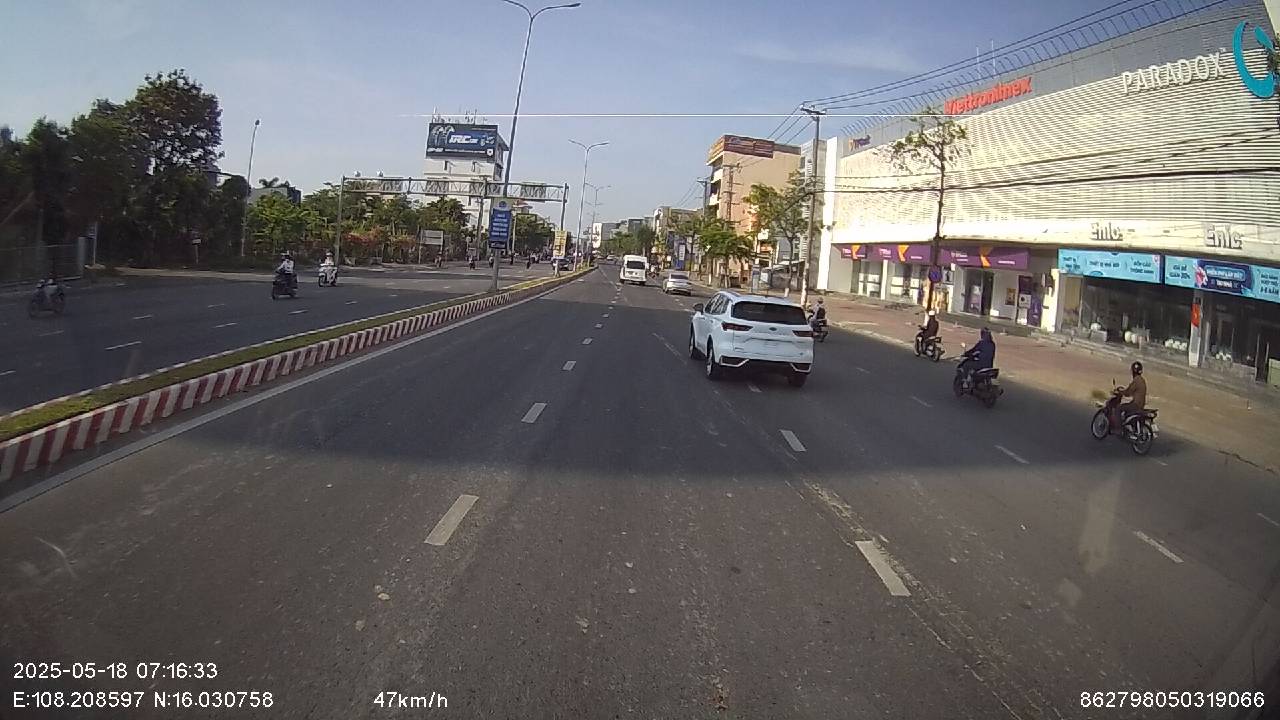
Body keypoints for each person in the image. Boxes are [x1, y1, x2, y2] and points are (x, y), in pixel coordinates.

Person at [1111, 361, 1147, 429]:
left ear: (1133, 371)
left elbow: (1128, 392)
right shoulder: (1142, 380)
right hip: (1140, 404)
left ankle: (1118, 429)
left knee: (1118, 408)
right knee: (1126, 407)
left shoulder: (1136, 380)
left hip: (1136, 405)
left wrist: (1120, 392)